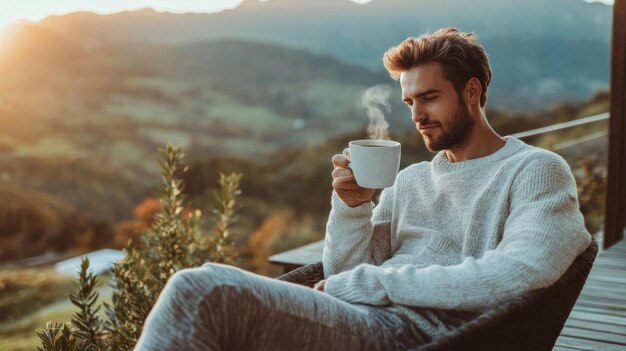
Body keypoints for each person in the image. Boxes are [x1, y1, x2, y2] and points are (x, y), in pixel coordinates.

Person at [134, 28, 591, 351]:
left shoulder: (536, 170)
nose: (416, 115)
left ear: (472, 91)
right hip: (366, 324)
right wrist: (352, 207)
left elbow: (522, 272)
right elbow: (344, 271)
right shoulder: (410, 180)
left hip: (423, 337)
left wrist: (371, 284)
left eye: (430, 97)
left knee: (206, 291)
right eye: (410, 101)